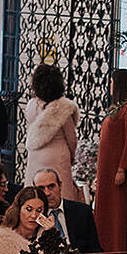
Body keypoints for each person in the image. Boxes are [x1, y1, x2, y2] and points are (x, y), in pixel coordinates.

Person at [93, 69, 127, 254]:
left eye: (112, 82)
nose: (110, 86)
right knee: (107, 211)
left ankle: (117, 250)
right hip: (108, 170)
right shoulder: (120, 109)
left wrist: (122, 168)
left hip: (118, 172)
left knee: (118, 213)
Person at [23, 63, 80, 199]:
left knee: (35, 192)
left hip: (36, 154)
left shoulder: (31, 105)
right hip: (57, 156)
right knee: (60, 194)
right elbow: (71, 138)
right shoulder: (64, 107)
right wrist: (72, 156)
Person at [34, 168, 101, 253]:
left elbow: (95, 249)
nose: (47, 193)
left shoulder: (82, 211)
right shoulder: (34, 215)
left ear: (60, 186)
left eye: (51, 186)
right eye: (41, 188)